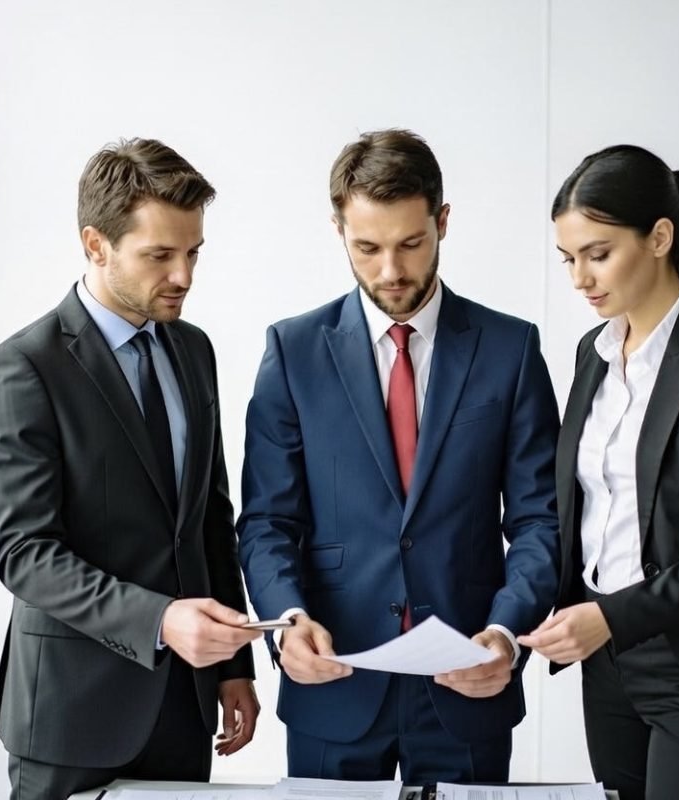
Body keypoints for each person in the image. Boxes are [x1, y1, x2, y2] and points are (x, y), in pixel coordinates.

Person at [237, 128, 560, 782]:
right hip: (334, 684)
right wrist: (286, 623)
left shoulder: (511, 349)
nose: (391, 271)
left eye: (411, 244)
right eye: (367, 247)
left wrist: (504, 634)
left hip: (468, 684)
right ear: (338, 232)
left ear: (442, 222)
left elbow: (538, 521)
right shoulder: (293, 352)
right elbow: (269, 522)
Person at [0, 138, 261, 800]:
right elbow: (26, 554)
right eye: (159, 255)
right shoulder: (24, 368)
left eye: (193, 253)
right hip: (71, 717)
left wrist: (232, 666)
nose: (183, 275)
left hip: (184, 710)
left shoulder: (193, 350)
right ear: (96, 244)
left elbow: (209, 523)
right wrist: (161, 620)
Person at [518, 144, 679, 800]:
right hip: (607, 666)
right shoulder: (593, 354)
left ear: (660, 237)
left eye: (597, 254)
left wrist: (616, 616)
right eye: (568, 258)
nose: (579, 278)